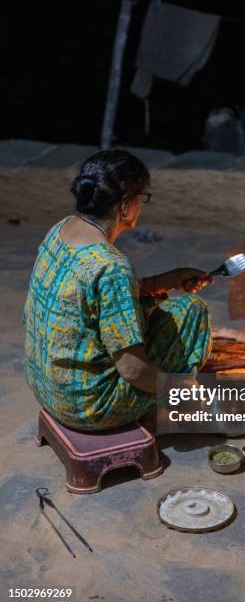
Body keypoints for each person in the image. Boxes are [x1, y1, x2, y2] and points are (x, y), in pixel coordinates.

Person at [23, 149, 213, 431]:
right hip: (89, 408)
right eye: (142, 198)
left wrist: (167, 280)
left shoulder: (61, 229)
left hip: (47, 389)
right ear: (124, 205)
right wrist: (180, 387)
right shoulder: (112, 266)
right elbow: (132, 369)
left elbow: (97, 298)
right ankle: (171, 405)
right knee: (191, 311)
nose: (142, 205)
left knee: (152, 312)